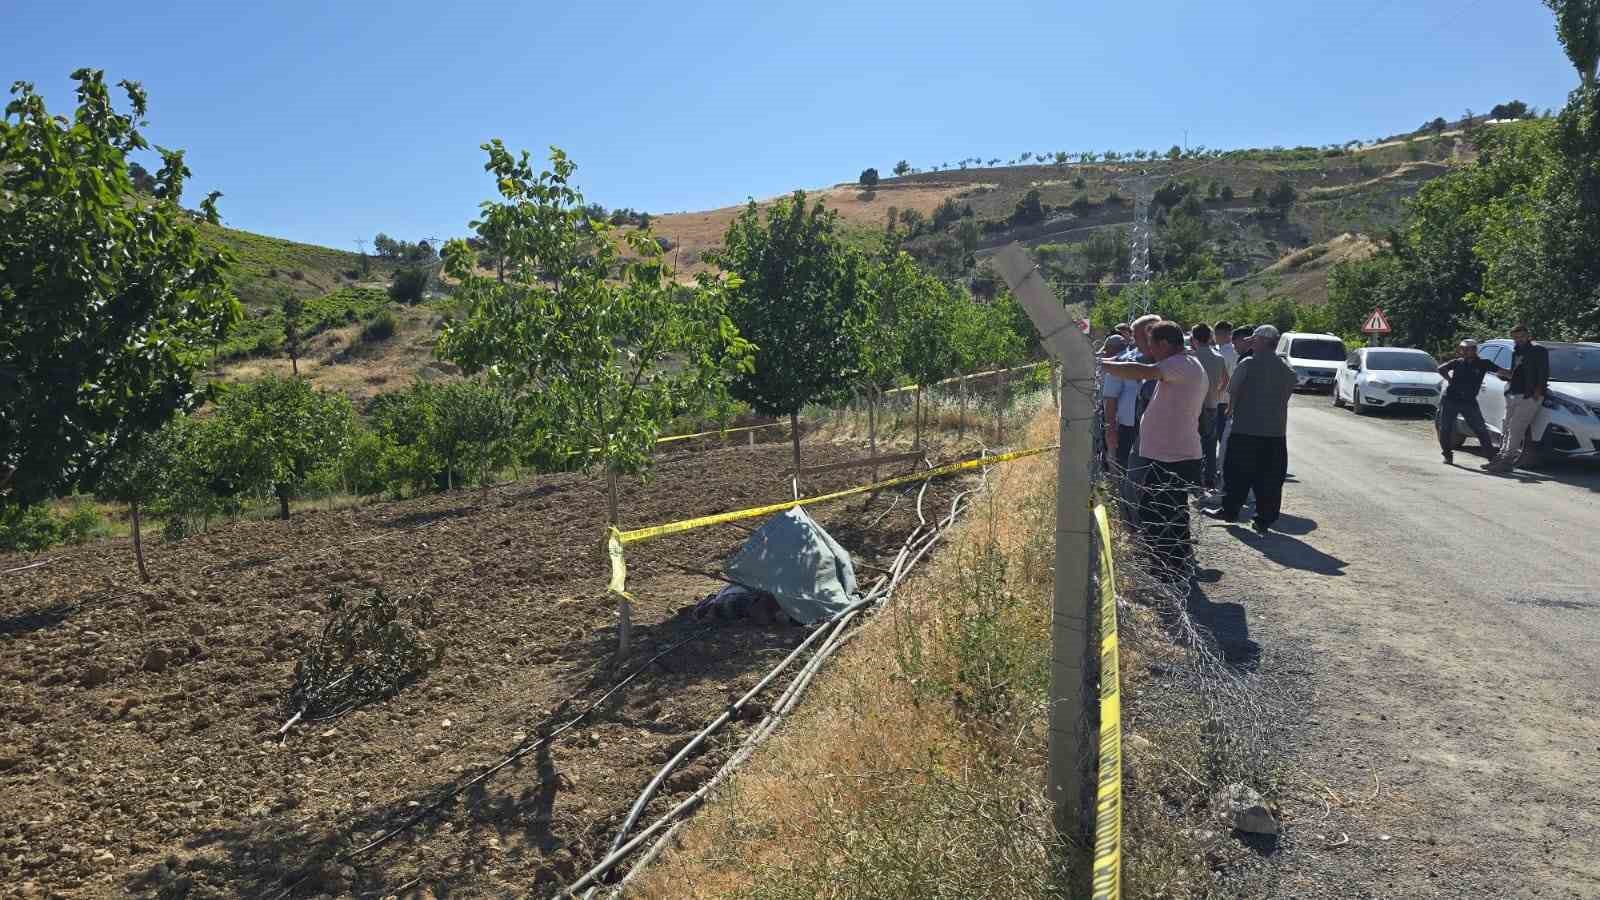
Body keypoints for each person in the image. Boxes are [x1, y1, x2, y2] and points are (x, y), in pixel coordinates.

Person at [1100, 321, 1208, 584]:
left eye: (1151, 345)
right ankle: (1173, 563)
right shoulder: (1185, 363)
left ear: (1164, 344)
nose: (1149, 351)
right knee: (1169, 511)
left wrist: (1103, 365)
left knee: (1159, 512)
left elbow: (1142, 372)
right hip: (1171, 452)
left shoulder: (1179, 364)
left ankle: (1165, 569)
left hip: (1172, 454)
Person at [1206, 325, 1296, 535]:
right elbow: (1289, 389)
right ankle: (1264, 520)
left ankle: (1229, 511)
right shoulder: (1285, 368)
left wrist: (1231, 412)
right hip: (1275, 433)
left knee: (1236, 473)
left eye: (1254, 340)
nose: (1251, 343)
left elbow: (1232, 393)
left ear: (1263, 342)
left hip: (1245, 429)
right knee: (1270, 479)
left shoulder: (1248, 363)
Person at [1487, 324, 1550, 474]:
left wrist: (1538, 391)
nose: (1518, 340)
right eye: (1515, 337)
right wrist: (1505, 377)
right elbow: (1517, 372)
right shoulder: (1516, 350)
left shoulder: (1538, 350)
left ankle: (1507, 461)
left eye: (1521, 336)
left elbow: (1544, 371)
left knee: (1516, 428)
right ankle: (1500, 458)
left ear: (1528, 335)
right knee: (1506, 425)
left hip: (1529, 395)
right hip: (1513, 393)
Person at [1436, 339, 1505, 465]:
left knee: (1480, 429)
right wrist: (1449, 380)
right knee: (1445, 428)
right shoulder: (1457, 362)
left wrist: (1515, 375)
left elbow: (1502, 371)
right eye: (1463, 349)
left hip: (1469, 401)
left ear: (1475, 350)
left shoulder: (1484, 363)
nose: (1466, 351)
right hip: (1450, 399)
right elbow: (1441, 368)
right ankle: (1447, 455)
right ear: (1460, 350)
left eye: (1469, 349)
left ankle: (1492, 458)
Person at [1190, 323, 1228, 491]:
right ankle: (1210, 477)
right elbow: (1226, 380)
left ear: (1194, 338)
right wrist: (1217, 393)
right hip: (1212, 404)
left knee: (1192, 442)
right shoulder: (1219, 357)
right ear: (1210, 337)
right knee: (1210, 443)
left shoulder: (1192, 356)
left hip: (1191, 405)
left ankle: (1193, 477)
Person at [1099, 335, 1137, 474]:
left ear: (1111, 349)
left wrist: (1110, 428)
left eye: (1107, 350)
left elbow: (1110, 399)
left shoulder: (1118, 364)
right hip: (1136, 424)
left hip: (1121, 424)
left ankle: (1119, 487)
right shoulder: (1134, 359)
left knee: (1120, 461)